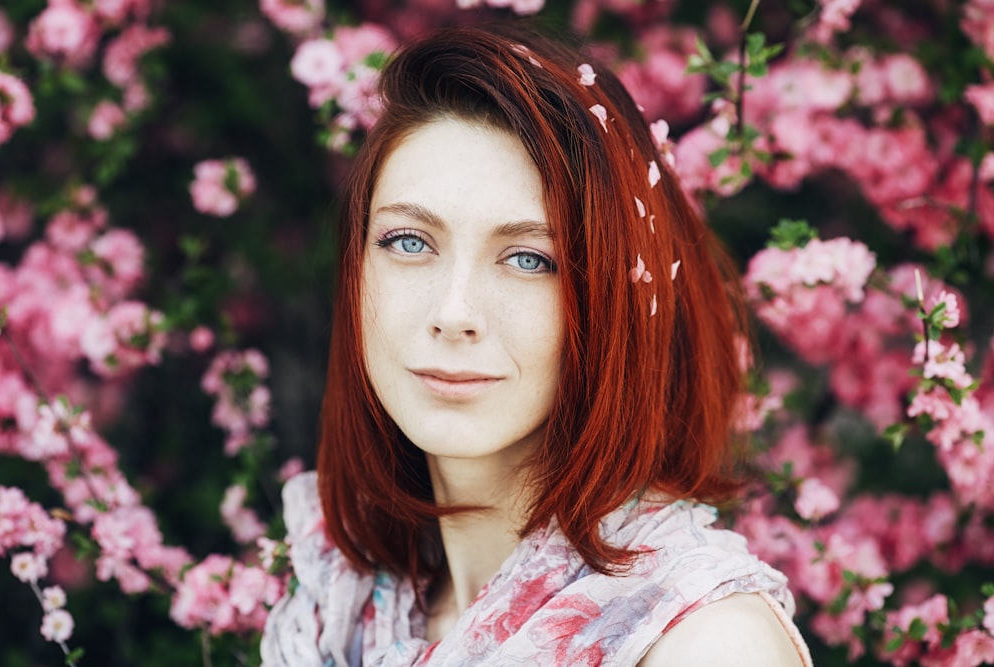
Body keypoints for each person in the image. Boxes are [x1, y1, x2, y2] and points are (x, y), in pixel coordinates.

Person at [261, 23, 812, 667]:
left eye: (528, 258)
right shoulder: (337, 608)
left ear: (615, 305)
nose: (454, 313)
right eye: (409, 242)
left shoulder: (704, 644)